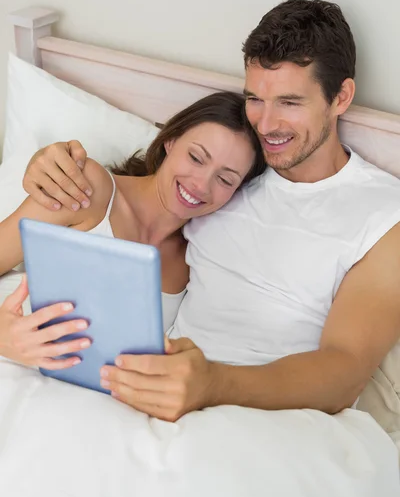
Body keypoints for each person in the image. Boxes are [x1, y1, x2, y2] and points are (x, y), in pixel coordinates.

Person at [13, 0, 400, 423]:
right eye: (255, 98)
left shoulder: (382, 214)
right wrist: (50, 164)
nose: (266, 124)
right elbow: (137, 197)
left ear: (340, 97)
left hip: (273, 413)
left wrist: (212, 383)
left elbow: (344, 370)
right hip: (152, 394)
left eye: (289, 102)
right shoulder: (237, 176)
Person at [0, 92, 265, 370]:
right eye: (196, 157)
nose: (201, 184)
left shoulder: (199, 260)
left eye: (225, 179)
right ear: (170, 141)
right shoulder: (88, 189)